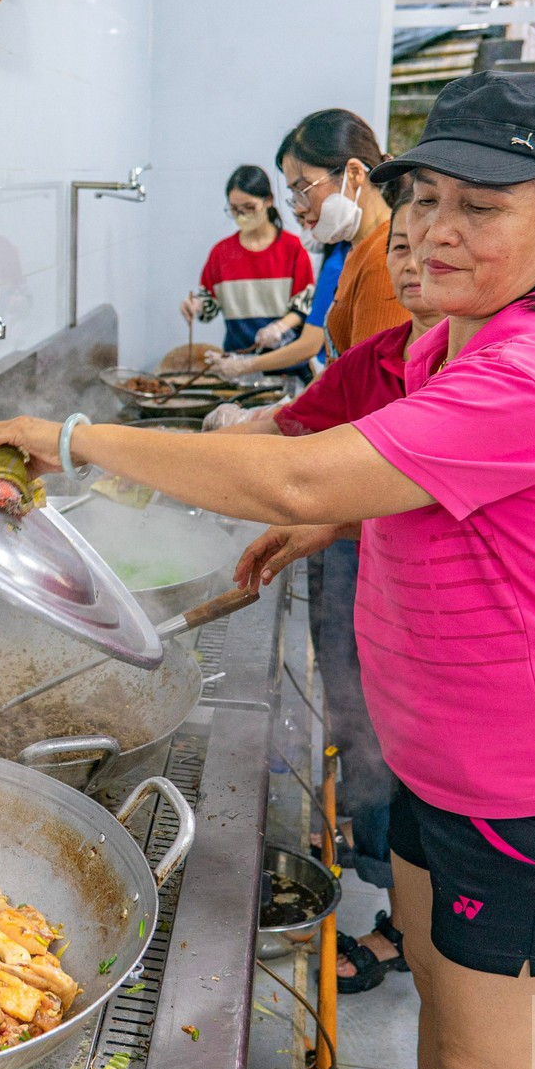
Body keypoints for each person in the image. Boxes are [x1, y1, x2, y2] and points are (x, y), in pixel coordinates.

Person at [0, 72, 535, 1069]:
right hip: (440, 763)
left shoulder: (534, 372)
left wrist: (68, 441)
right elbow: (433, 490)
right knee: (441, 1013)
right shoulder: (446, 341)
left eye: (479, 207)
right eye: (422, 197)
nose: (433, 230)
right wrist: (343, 513)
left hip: (530, 791)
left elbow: (294, 468)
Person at [211, 192, 441, 994]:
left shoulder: (486, 376)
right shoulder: (386, 354)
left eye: (427, 248)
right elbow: (297, 430)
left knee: (483, 1051)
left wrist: (76, 444)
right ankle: (402, 912)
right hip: (403, 632)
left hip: (471, 678)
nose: (412, 267)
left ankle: (407, 912)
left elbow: (326, 475)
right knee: (393, 752)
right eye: (400, 251)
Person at [215, 110, 395, 379]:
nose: (300, 208)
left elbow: (365, 387)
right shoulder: (355, 251)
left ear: (355, 173)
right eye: (293, 195)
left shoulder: (386, 256)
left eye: (304, 189)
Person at [179, 165, 316, 356]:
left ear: (268, 201)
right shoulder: (222, 253)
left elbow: (304, 307)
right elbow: (208, 306)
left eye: (249, 208)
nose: (242, 216)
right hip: (238, 362)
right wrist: (195, 305)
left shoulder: (292, 248)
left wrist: (278, 328)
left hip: (284, 361)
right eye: (235, 210)